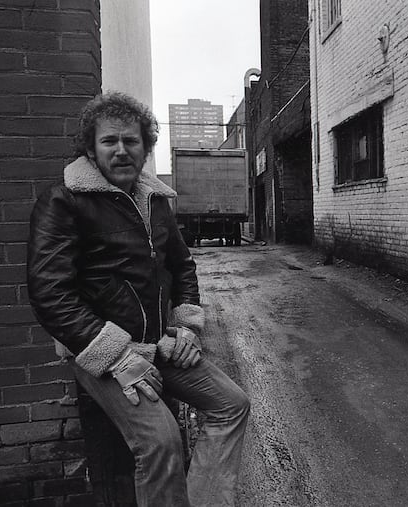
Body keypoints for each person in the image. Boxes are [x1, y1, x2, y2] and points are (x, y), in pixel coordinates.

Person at [27, 91, 250, 506]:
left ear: (146, 148)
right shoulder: (64, 202)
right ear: (91, 149)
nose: (121, 150)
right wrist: (116, 356)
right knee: (162, 442)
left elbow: (182, 268)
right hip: (104, 353)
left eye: (131, 141)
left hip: (158, 346)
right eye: (109, 141)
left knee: (231, 405)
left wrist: (185, 328)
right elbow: (50, 294)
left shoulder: (155, 201)